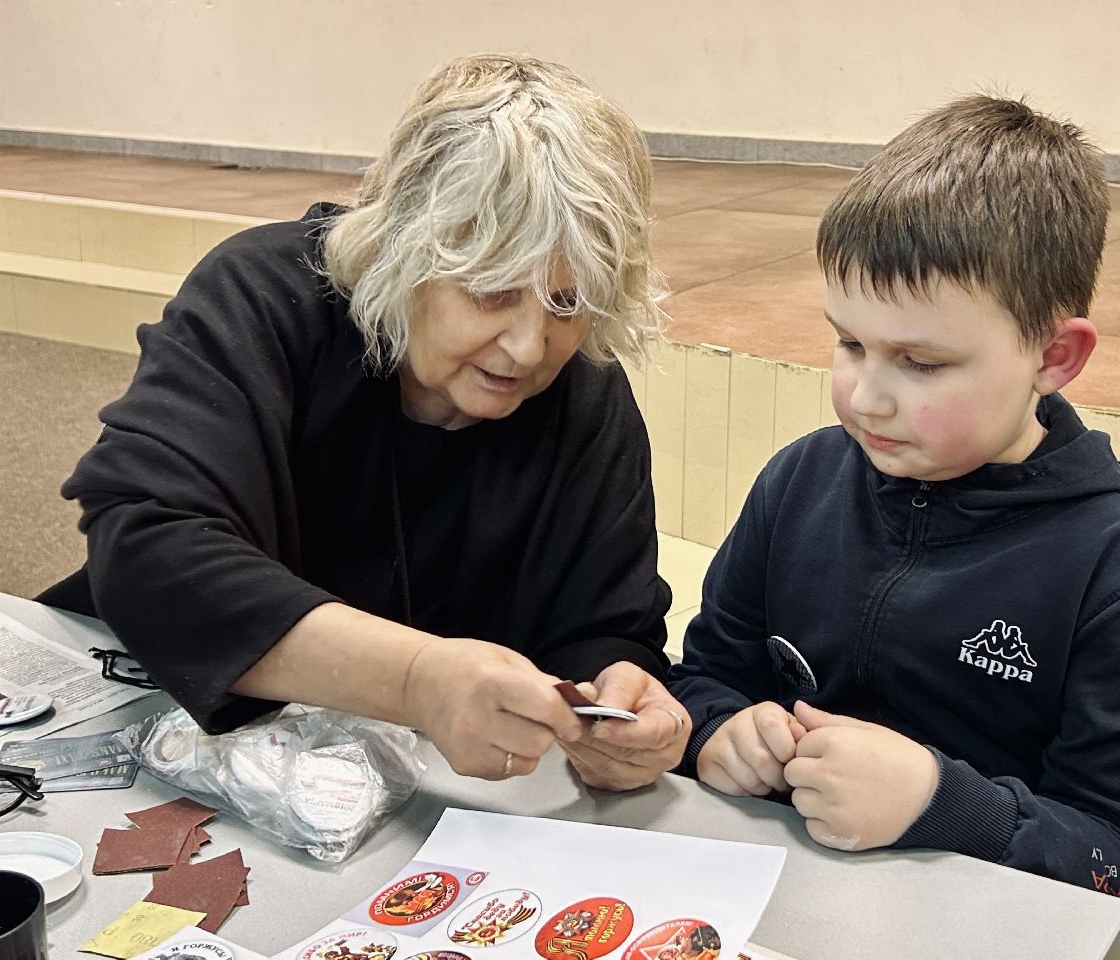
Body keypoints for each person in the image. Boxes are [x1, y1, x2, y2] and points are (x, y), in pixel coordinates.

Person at [37, 54, 691, 791]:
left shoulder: (587, 395)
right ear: (406, 247)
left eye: (568, 304)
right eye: (491, 289)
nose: (529, 346)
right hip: (158, 724)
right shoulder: (263, 296)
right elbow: (150, 546)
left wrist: (620, 697)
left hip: (404, 792)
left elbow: (606, 623)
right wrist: (416, 679)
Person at [667, 96, 1120, 933]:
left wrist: (938, 803)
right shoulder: (798, 482)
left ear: (1054, 357)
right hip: (774, 910)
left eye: (920, 362)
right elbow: (703, 675)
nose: (865, 396)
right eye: (848, 343)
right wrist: (718, 732)